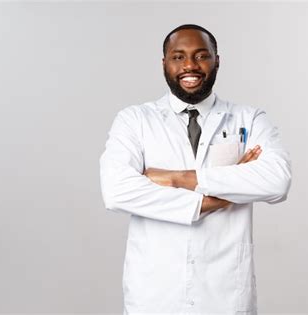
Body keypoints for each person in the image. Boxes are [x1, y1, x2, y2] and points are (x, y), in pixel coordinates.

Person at [99, 24, 292, 314]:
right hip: (155, 294)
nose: (190, 65)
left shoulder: (249, 119)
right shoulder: (135, 120)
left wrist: (179, 178)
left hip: (225, 294)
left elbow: (277, 181)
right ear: (164, 63)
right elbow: (116, 191)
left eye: (201, 56)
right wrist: (214, 200)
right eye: (178, 57)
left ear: (217, 60)